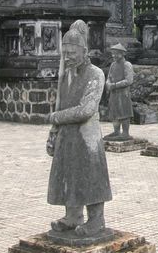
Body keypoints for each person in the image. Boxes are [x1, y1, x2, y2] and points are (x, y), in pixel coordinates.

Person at [39, 28, 112, 236]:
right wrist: (54, 132)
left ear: (84, 51)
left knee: (91, 176)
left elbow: (86, 110)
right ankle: (73, 216)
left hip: (87, 136)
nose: (68, 57)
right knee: (68, 173)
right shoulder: (66, 75)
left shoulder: (95, 74)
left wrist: (56, 118)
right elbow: (61, 103)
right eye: (65, 53)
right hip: (67, 135)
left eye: (72, 53)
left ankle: (96, 220)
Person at [104, 43, 134, 140]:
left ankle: (125, 133)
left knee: (124, 112)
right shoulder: (113, 65)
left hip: (123, 93)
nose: (114, 55)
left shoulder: (127, 65)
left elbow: (129, 80)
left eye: (116, 53)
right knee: (114, 112)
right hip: (114, 93)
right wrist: (108, 83)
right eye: (113, 53)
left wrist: (115, 85)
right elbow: (109, 77)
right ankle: (116, 131)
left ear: (122, 54)